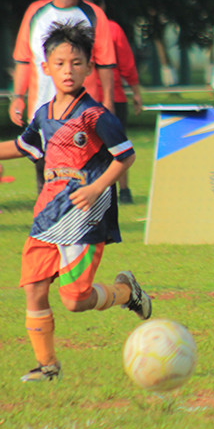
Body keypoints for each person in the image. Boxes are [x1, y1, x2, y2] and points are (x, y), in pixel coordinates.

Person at [0, 22, 151, 383]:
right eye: (60, 63)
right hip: (47, 213)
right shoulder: (43, 115)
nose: (68, 70)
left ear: (88, 68)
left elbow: (126, 156)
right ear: (46, 68)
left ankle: (126, 292)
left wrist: (96, 188)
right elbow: (22, 147)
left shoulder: (95, 115)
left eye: (76, 63)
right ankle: (48, 367)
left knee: (75, 300)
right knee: (34, 288)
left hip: (84, 215)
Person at [12, 0, 117, 192]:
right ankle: (47, 207)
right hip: (43, 106)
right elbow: (23, 59)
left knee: (82, 167)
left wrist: (108, 101)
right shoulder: (36, 13)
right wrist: (17, 97)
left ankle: (84, 208)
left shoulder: (92, 14)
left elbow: (105, 63)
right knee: (44, 167)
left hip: (83, 109)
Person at [80, 0, 143, 204]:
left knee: (85, 147)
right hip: (114, 97)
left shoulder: (74, 28)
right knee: (119, 146)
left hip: (84, 98)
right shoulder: (112, 28)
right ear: (102, 7)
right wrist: (135, 91)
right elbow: (126, 63)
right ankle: (123, 191)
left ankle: (89, 189)